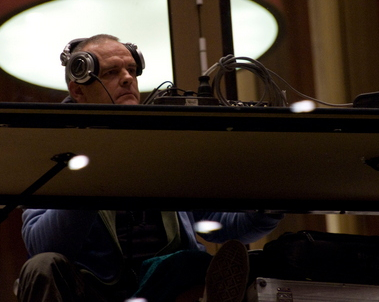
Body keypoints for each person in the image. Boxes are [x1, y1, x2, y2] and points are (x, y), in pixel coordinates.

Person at [17, 34, 282, 302]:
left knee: (204, 262)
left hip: (165, 284)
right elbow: (44, 246)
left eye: (131, 70)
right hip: (93, 291)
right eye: (111, 72)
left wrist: (268, 205)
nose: (127, 78)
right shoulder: (53, 149)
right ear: (78, 91)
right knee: (41, 266)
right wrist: (94, 160)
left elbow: (221, 223)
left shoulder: (163, 143)